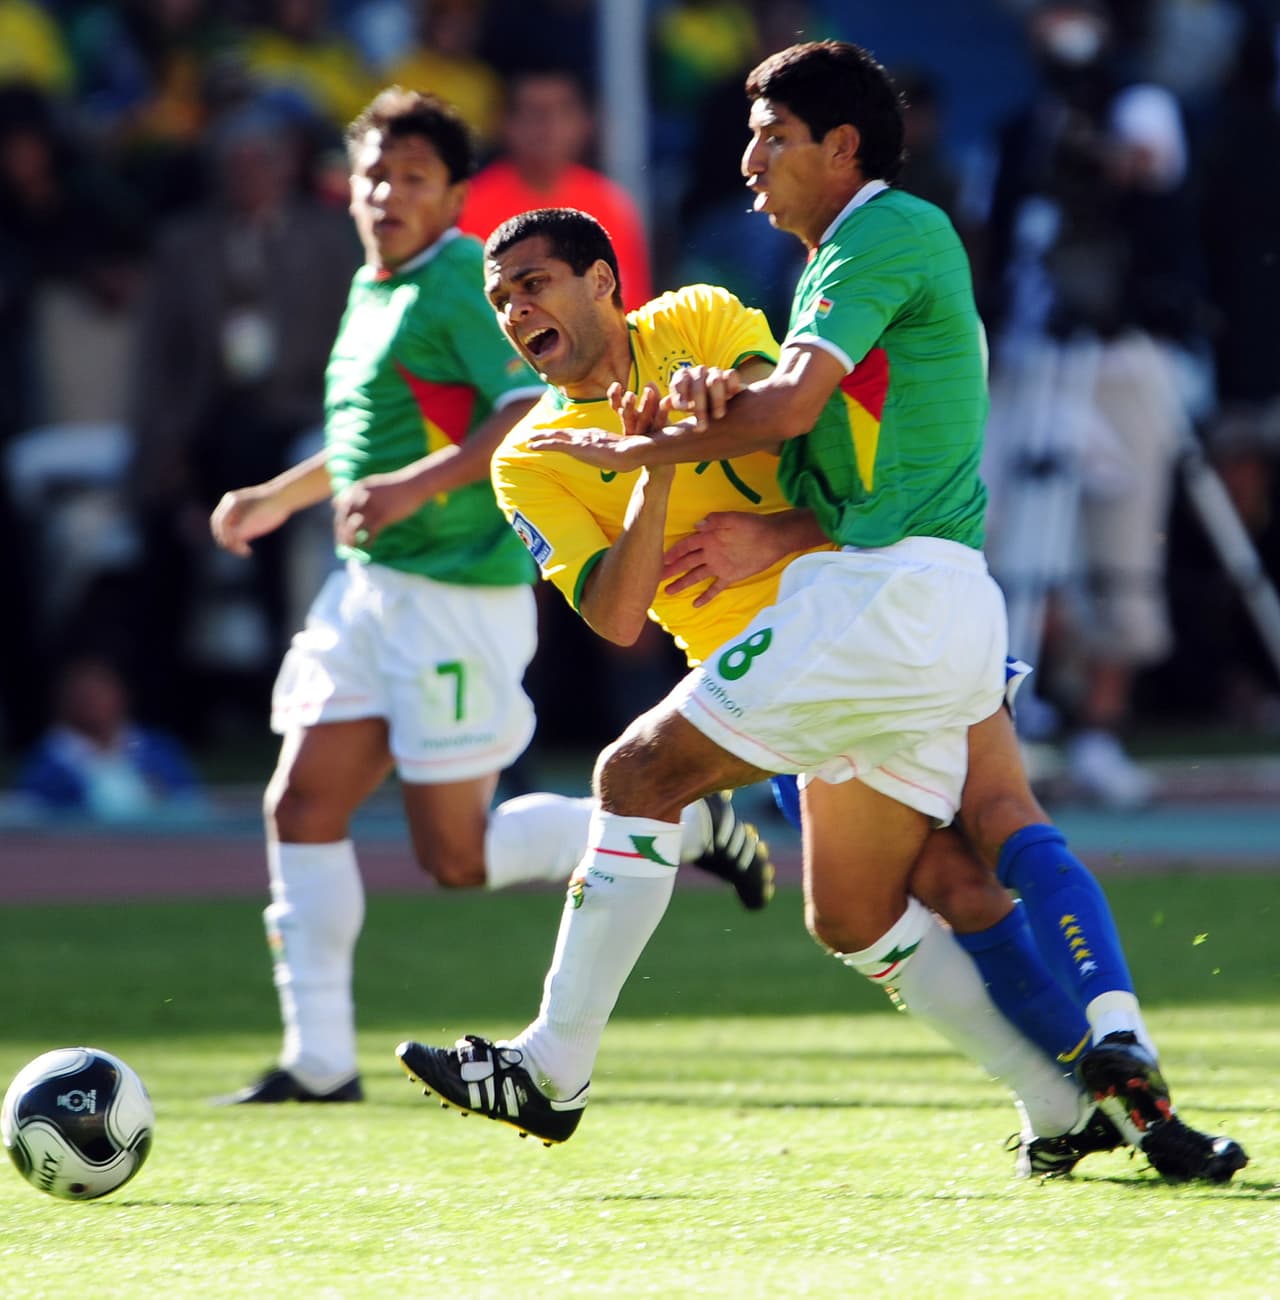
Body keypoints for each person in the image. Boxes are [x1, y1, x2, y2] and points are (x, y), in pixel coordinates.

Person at [395, 43, 1245, 1182]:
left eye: (534, 284)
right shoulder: (537, 454)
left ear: (606, 281)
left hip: (846, 611)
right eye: (499, 300)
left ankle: (552, 1069)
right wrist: (654, 456)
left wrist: (731, 476)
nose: (513, 311)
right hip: (858, 633)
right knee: (879, 900)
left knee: (635, 779)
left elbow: (795, 421)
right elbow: (615, 618)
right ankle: (1083, 1091)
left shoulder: (714, 309)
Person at [208, 89, 771, 1106]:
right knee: (299, 802)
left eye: (415, 177)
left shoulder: (468, 292)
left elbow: (518, 412)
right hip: (368, 589)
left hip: (453, 594)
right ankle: (320, 1058)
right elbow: (367, 441)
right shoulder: (375, 289)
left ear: (456, 193)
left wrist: (415, 488)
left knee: (454, 857)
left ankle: (685, 827)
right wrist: (280, 498)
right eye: (376, 173)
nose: (389, 193)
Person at [456, 67, 653, 310]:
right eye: (535, 113)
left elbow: (630, 310)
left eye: (564, 111)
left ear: (586, 122)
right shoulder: (468, 207)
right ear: (506, 124)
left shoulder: (611, 204)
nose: (550, 127)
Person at [13, 653, 204, 820]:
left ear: (120, 696)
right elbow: (31, 815)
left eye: (100, 695)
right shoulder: (50, 761)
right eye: (84, 698)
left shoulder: (156, 748)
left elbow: (191, 804)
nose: (92, 705)